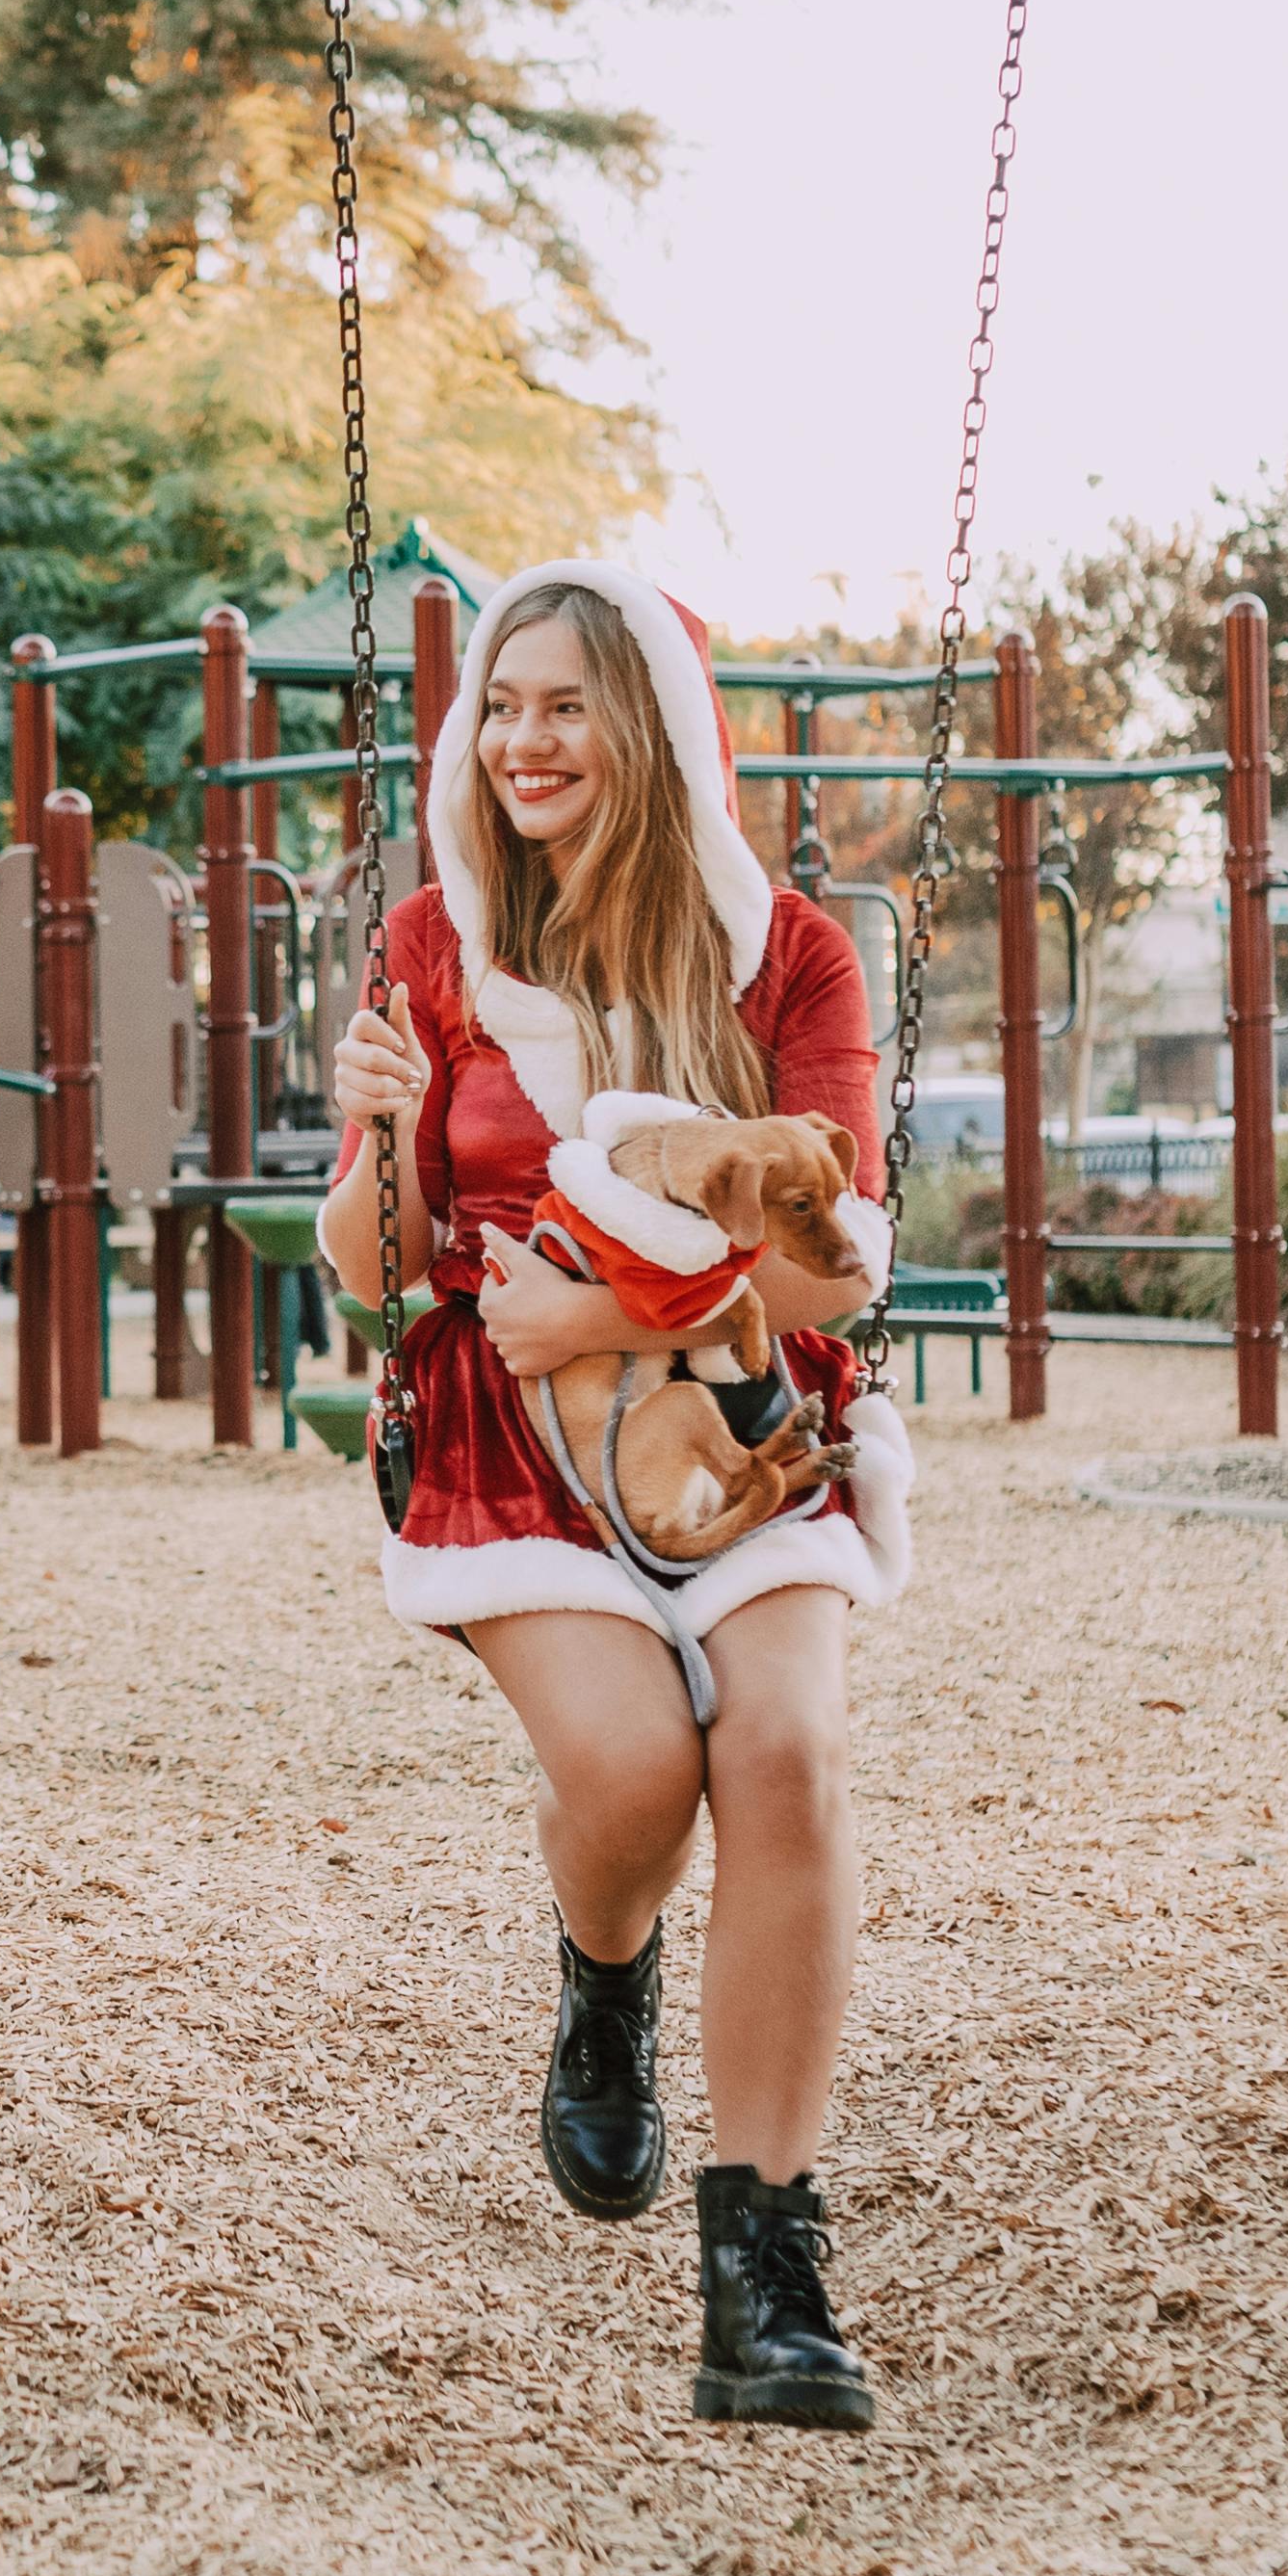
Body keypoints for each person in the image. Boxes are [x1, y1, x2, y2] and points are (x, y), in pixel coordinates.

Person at [319, 562, 915, 2431]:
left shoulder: (783, 957)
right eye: (500, 705)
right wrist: (378, 1124)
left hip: (744, 1415)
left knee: (783, 1755)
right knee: (636, 1768)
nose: (522, 741)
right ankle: (605, 1971)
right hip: (504, 1423)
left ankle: (764, 2265)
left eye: (564, 703)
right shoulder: (431, 939)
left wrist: (641, 1293)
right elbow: (368, 1267)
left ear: (644, 723)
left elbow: (842, 1268)